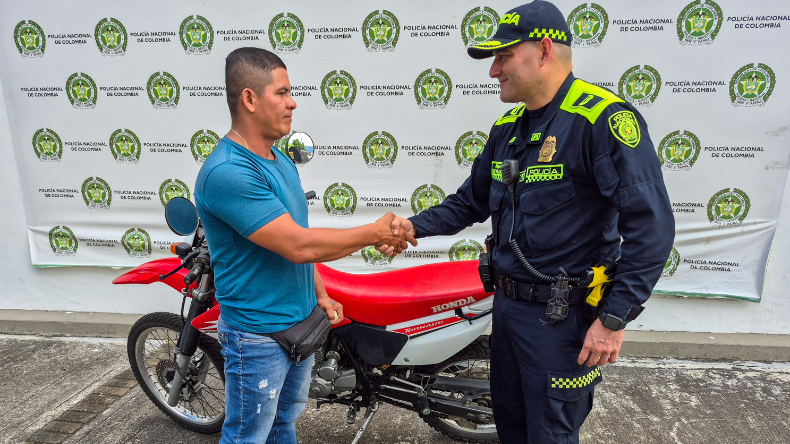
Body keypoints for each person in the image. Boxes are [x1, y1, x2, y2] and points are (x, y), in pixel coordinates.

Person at [379, 2, 674, 443]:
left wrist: (613, 320)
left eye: (503, 56)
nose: (493, 71)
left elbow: (652, 229)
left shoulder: (603, 120)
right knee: (511, 429)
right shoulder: (509, 127)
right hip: (510, 310)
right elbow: (470, 201)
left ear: (544, 50)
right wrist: (411, 227)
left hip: (565, 321)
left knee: (551, 435)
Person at [194, 47, 416, 444]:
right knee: (248, 435)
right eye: (281, 93)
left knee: (284, 427)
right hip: (257, 338)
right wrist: (375, 232)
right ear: (249, 98)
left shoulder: (279, 160)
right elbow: (298, 245)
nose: (293, 102)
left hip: (300, 326)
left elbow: (294, 240)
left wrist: (320, 294)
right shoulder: (228, 172)